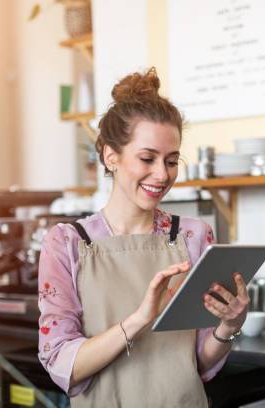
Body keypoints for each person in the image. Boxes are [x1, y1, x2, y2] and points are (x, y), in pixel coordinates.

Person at [37, 67, 249, 407]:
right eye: (147, 158)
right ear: (110, 155)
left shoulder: (193, 235)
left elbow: (198, 362)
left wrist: (230, 325)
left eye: (171, 160)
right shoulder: (67, 243)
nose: (162, 174)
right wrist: (140, 319)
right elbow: (63, 364)